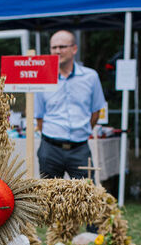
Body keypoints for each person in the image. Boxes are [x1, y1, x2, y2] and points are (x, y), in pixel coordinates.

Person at [34, 29, 105, 180]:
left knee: (86, 198)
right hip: (50, 149)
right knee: (48, 198)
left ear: (74, 49)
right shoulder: (42, 78)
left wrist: (81, 131)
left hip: (80, 149)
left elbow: (96, 112)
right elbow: (39, 117)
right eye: (54, 48)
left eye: (62, 47)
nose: (57, 51)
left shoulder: (90, 77)